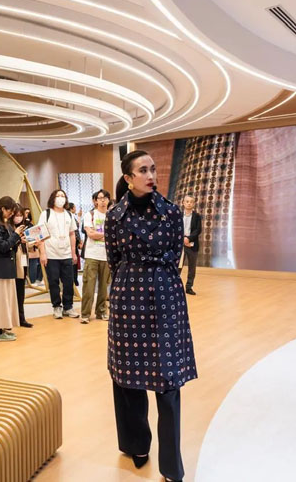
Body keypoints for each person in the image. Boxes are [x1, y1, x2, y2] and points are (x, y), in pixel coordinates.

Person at [106, 150, 197, 482]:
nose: (151, 175)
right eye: (142, 170)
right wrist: (134, 278)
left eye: (153, 169)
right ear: (128, 178)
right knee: (127, 379)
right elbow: (114, 258)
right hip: (127, 299)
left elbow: (175, 254)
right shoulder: (115, 216)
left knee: (168, 382)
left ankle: (171, 466)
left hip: (165, 298)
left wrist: (153, 275)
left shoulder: (171, 212)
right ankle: (136, 445)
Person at [0, 197, 27, 341]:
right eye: (10, 211)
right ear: (3, 209)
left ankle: (3, 328)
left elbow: (10, 246)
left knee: (6, 301)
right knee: (0, 301)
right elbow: (3, 247)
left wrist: (18, 239)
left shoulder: (5, 225)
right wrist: (15, 235)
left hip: (7, 268)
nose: (12, 214)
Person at [37, 189, 79, 319]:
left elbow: (72, 234)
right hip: (51, 254)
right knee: (53, 282)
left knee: (68, 282)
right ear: (53, 198)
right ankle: (56, 306)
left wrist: (73, 253)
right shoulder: (46, 214)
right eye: (58, 196)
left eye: (63, 196)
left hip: (66, 254)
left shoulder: (69, 214)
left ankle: (68, 307)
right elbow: (40, 235)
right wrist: (42, 253)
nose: (60, 198)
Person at [79, 189, 111, 324]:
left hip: (106, 256)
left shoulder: (111, 216)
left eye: (105, 198)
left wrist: (99, 235)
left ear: (108, 200)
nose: (102, 201)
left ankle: (101, 311)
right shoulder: (90, 215)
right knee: (89, 286)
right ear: (96, 201)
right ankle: (85, 314)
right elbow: (91, 234)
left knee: (104, 287)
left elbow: (115, 235)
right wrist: (107, 235)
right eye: (100, 198)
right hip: (92, 255)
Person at [12, 206, 33, 328]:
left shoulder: (24, 227)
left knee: (21, 291)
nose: (19, 218)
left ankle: (21, 317)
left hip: (23, 262)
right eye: (16, 215)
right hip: (12, 264)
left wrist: (31, 241)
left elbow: (28, 244)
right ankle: (14, 318)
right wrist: (19, 240)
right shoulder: (9, 228)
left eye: (20, 215)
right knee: (13, 292)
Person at [181, 194, 202, 296]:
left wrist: (188, 238)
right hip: (180, 245)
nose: (189, 203)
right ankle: (175, 286)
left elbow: (198, 230)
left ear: (194, 204)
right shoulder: (178, 215)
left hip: (192, 245)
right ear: (183, 203)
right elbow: (175, 228)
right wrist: (182, 238)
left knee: (192, 268)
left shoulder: (197, 216)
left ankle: (189, 287)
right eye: (187, 201)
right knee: (177, 267)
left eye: (191, 202)